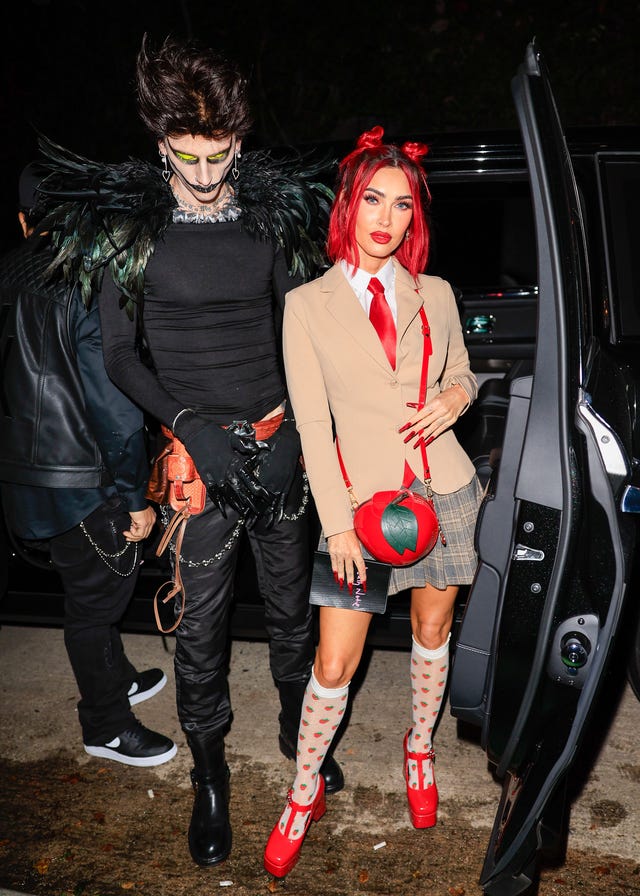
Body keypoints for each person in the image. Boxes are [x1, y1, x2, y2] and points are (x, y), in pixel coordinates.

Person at [28, 34, 343, 867]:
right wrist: (190, 425)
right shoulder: (128, 226)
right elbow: (118, 355)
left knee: (290, 613)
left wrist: (298, 428)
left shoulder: (270, 215)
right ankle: (210, 778)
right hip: (196, 462)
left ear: (240, 139)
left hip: (276, 445)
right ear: (159, 140)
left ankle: (297, 730)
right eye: (187, 155)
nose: (205, 174)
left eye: (220, 154)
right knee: (201, 631)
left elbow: (299, 329)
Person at [263, 126, 483, 877]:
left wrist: (456, 397)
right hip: (357, 507)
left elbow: (462, 370)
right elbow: (312, 426)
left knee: (433, 630)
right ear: (347, 206)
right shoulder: (307, 305)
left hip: (442, 490)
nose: (386, 219)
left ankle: (419, 749)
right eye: (372, 201)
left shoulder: (435, 293)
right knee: (334, 661)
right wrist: (336, 525)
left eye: (402, 205)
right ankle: (303, 790)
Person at [0, 164, 177, 769]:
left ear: (24, 221)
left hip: (23, 472)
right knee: (95, 604)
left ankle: (116, 676)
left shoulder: (6, 271)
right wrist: (136, 497)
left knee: (88, 592)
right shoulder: (88, 278)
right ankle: (105, 725)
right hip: (81, 478)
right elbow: (114, 406)